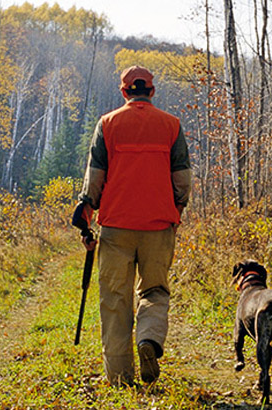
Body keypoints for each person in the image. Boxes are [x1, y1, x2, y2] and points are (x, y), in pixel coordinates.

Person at [73, 65, 192, 386]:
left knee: (115, 299)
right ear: (152, 91)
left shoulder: (108, 124)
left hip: (115, 227)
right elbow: (182, 179)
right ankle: (149, 340)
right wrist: (176, 209)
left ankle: (120, 378)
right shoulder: (172, 125)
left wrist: (86, 219)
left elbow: (94, 178)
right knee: (154, 290)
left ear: (124, 92)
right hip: (158, 226)